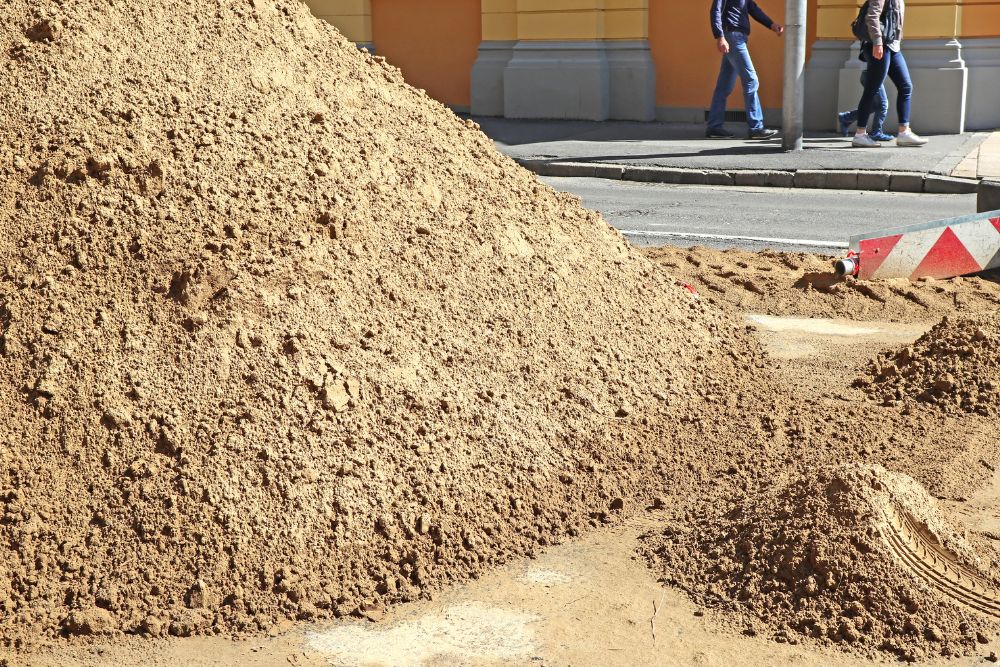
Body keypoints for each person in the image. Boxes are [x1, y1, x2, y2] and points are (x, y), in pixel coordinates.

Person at [851, 0, 928, 148]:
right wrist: (878, 42)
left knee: (905, 87)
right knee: (871, 90)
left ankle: (904, 133)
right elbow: (871, 15)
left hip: (893, 47)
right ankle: (860, 135)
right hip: (880, 46)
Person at [707, 0, 784, 140]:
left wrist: (771, 24)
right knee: (751, 80)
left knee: (723, 86)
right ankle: (756, 127)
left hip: (739, 37)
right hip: (732, 37)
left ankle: (714, 127)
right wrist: (720, 36)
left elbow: (753, 9)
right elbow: (715, 10)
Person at [838, 71, 893, 141]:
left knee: (876, 106)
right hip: (873, 76)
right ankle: (876, 133)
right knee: (882, 104)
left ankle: (846, 118)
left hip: (869, 75)